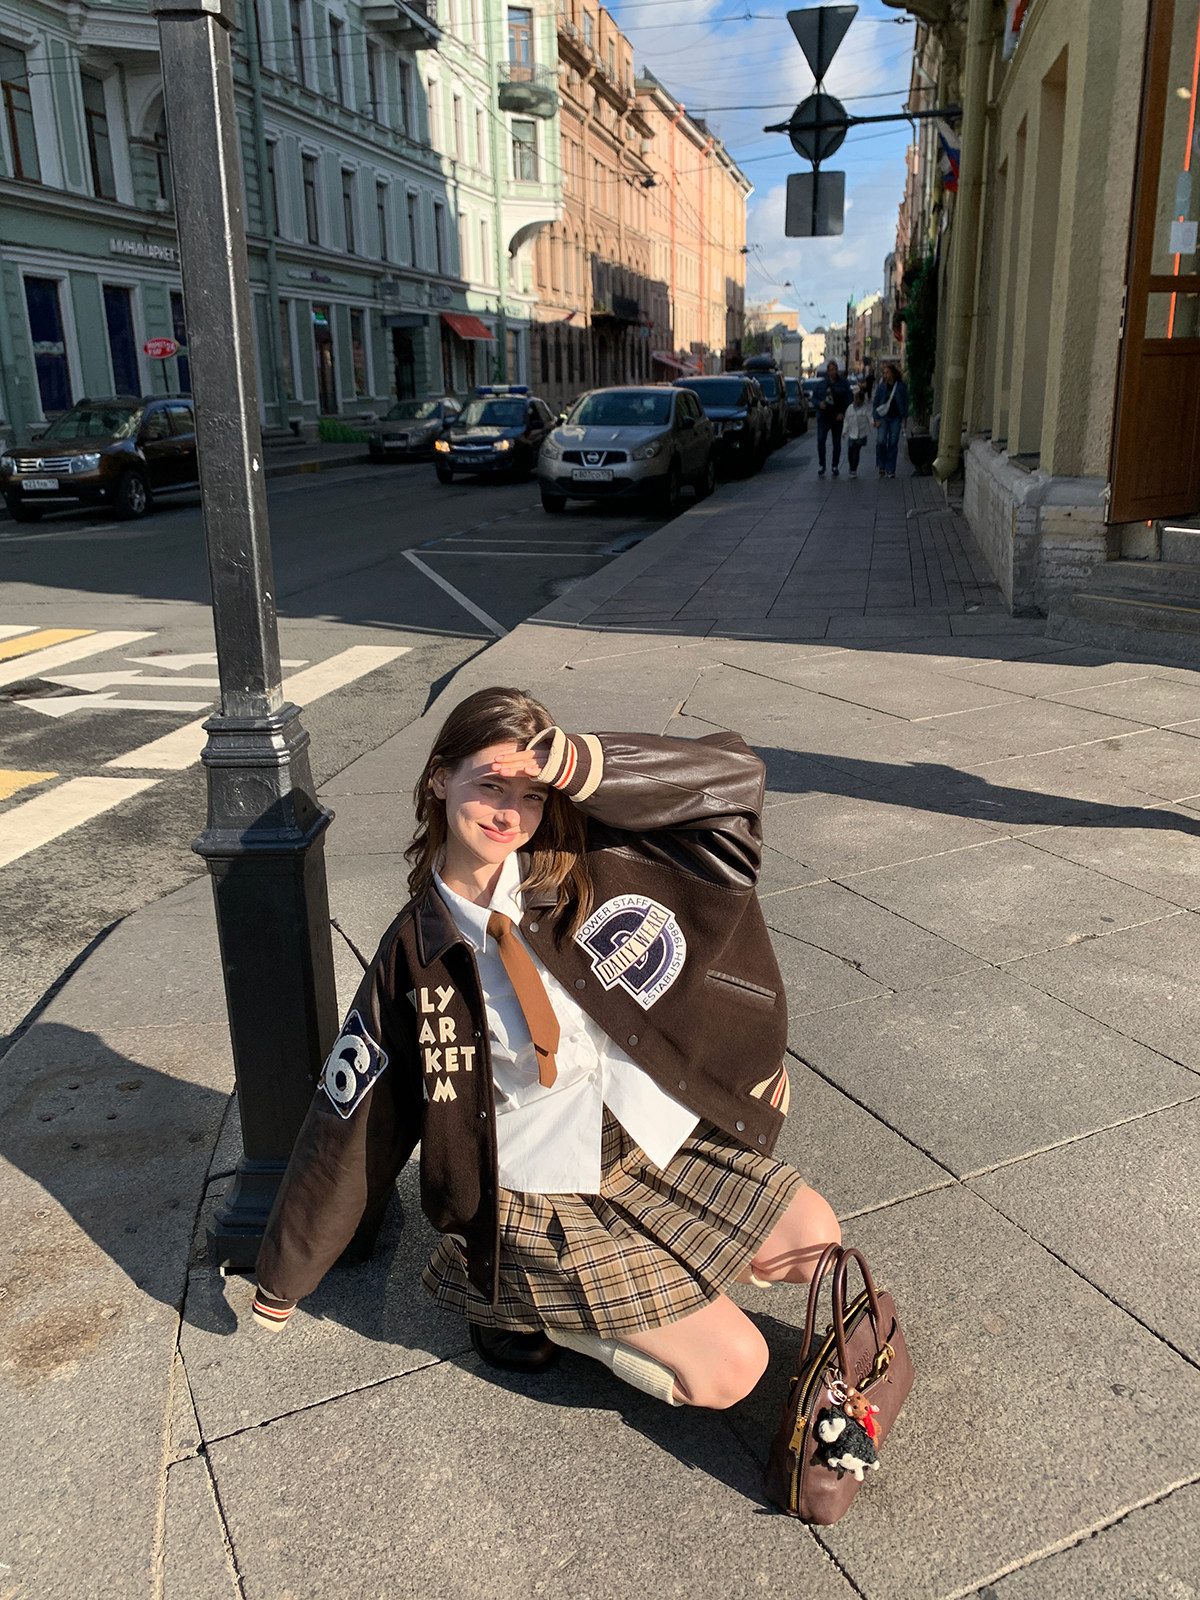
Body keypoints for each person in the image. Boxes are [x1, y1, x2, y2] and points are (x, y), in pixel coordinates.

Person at [252, 687, 840, 1415]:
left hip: (635, 1136)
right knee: (730, 1372)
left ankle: (645, 1288)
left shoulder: (582, 868)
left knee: (815, 1242)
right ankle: (524, 1303)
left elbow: (734, 786)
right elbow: (353, 1120)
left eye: (530, 795)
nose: (509, 813)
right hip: (534, 1189)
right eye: (490, 786)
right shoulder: (414, 955)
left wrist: (586, 764)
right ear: (439, 780)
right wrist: (285, 1275)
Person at [814, 360, 853, 478]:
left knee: (836, 443)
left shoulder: (843, 383)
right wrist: (819, 404)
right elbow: (814, 398)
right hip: (824, 417)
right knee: (821, 440)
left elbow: (849, 398)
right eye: (831, 370)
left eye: (835, 370)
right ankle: (822, 465)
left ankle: (835, 465)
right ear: (828, 371)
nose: (833, 372)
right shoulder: (822, 384)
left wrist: (843, 412)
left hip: (837, 417)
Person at [873, 361, 909, 478]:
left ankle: (890, 469)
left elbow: (906, 402)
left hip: (896, 418)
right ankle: (881, 465)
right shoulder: (881, 387)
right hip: (883, 418)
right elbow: (875, 404)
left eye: (887, 372)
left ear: (893, 373)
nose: (886, 375)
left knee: (893, 442)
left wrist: (904, 418)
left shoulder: (901, 386)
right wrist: (875, 418)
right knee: (881, 441)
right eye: (884, 373)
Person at [843, 385, 872, 480]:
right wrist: (844, 431)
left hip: (861, 434)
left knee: (856, 452)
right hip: (852, 434)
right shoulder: (850, 408)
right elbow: (846, 421)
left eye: (859, 401)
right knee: (850, 452)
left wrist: (874, 423)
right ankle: (851, 466)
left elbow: (870, 417)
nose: (858, 403)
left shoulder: (865, 409)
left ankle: (853, 469)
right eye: (856, 400)